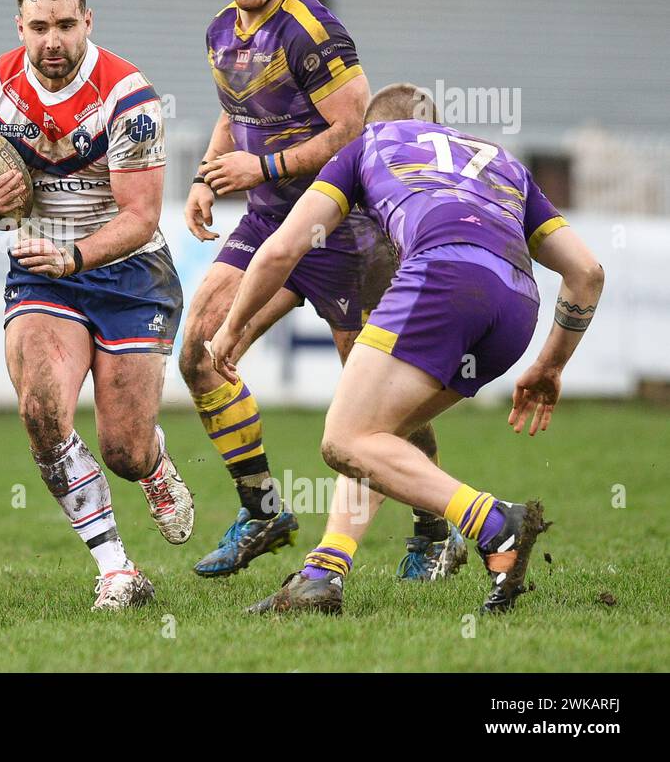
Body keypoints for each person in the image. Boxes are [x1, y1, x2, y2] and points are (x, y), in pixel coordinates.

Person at [209, 83, 603, 614]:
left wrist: (233, 328)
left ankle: (492, 523)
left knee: (342, 439)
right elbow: (586, 272)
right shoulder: (501, 162)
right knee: (377, 435)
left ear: (375, 123)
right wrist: (550, 366)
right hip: (517, 307)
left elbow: (282, 249)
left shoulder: (367, 145)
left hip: (442, 277)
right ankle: (322, 574)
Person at [179, 0, 462, 582]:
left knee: (375, 403)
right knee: (198, 353)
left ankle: (435, 526)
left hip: (343, 231)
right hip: (265, 223)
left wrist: (262, 168)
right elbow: (234, 113)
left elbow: (354, 131)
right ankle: (263, 509)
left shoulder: (311, 29)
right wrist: (205, 178)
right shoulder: (221, 30)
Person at [0, 0, 190, 611]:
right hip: (44, 276)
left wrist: (75, 254)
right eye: (39, 26)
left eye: (66, 25)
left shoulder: (127, 98)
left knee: (122, 449)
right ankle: (116, 570)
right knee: (41, 411)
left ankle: (152, 466)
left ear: (87, 23)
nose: (53, 40)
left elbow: (140, 216)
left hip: (128, 274)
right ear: (21, 26)